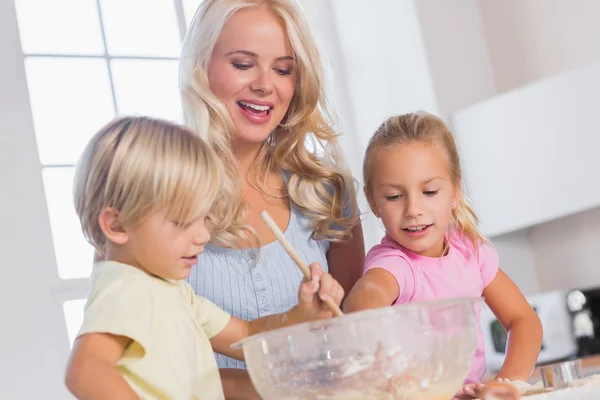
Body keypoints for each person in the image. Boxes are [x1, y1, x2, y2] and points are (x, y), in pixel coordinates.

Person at [66, 116, 344, 400]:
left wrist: (302, 314)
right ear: (117, 225)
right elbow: (85, 371)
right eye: (182, 223)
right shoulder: (126, 288)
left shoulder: (171, 291)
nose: (202, 236)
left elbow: (247, 334)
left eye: (204, 219)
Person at [178, 0, 365, 389]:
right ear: (201, 68)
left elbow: (356, 343)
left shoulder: (327, 192)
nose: (265, 84)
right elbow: (126, 365)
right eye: (243, 64)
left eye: (283, 69)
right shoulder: (153, 196)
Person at [343, 113, 542, 399]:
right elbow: (364, 301)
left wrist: (506, 382)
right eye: (394, 196)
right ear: (373, 201)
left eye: (429, 191)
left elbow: (524, 319)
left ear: (455, 190)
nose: (413, 209)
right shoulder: (395, 264)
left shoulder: (469, 253)